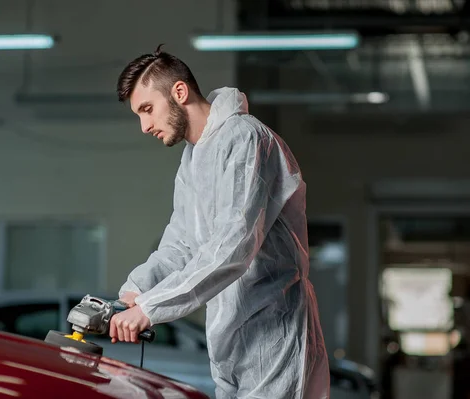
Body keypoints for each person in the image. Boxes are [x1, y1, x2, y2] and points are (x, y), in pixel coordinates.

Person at [108, 44, 330, 399]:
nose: (144, 126)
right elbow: (181, 244)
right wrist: (137, 290)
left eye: (148, 109)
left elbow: (232, 248)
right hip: (228, 333)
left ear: (179, 92)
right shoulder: (193, 159)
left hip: (274, 332)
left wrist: (151, 309)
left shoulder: (244, 139)